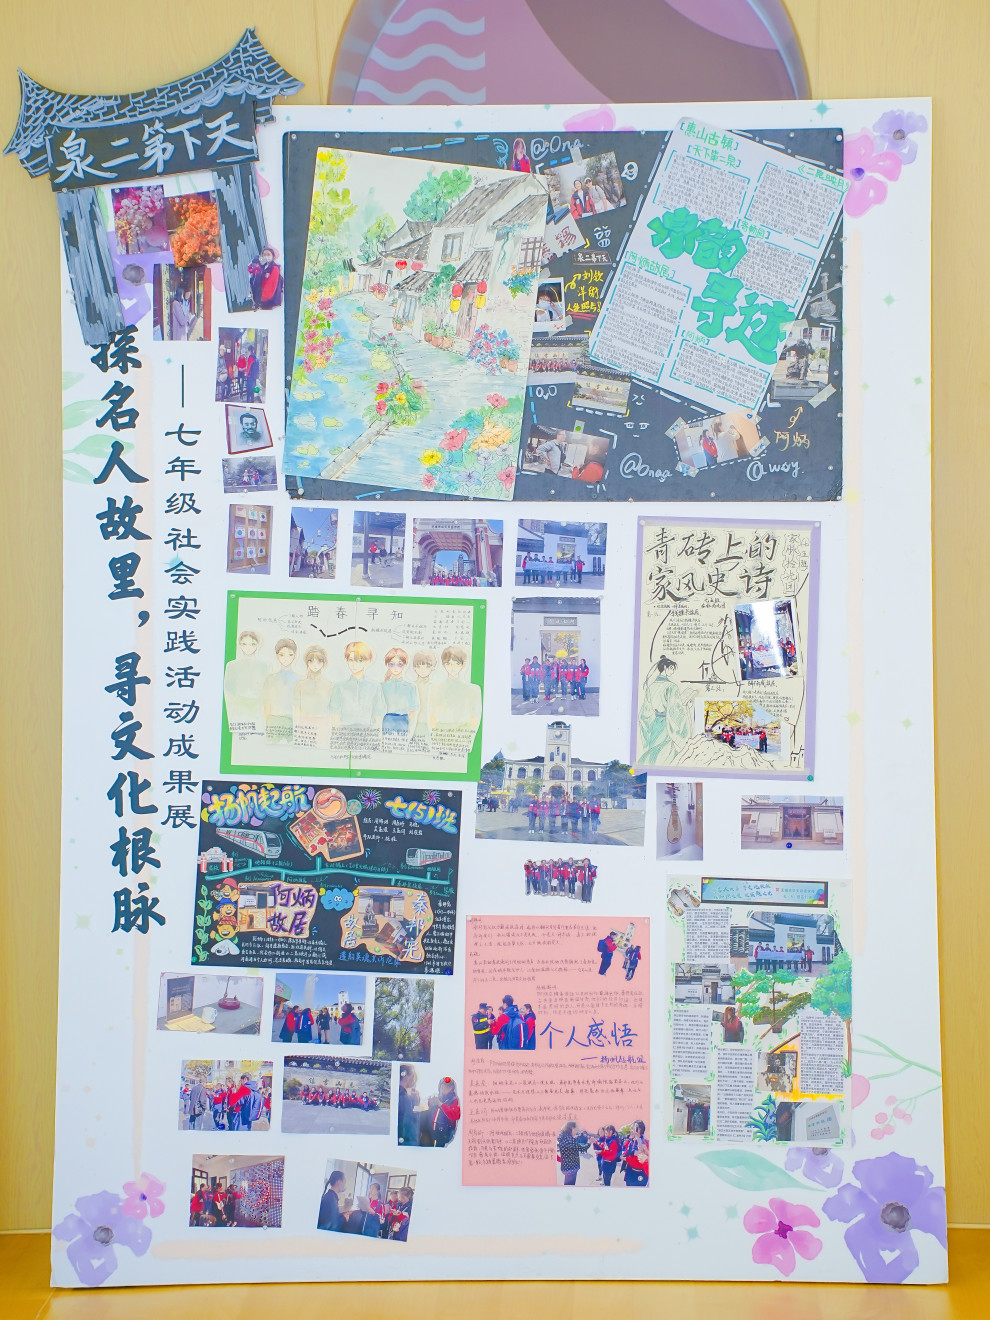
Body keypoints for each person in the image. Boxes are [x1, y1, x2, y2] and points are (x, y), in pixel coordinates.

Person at [639, 655, 691, 765]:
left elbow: (645, 712)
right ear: (665, 668)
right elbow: (674, 710)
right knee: (666, 754)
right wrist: (684, 707)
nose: (672, 671)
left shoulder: (651, 687)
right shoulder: (671, 686)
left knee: (654, 753)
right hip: (667, 726)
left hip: (655, 725)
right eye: (671, 668)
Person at [329, 640, 386, 730]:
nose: (354, 664)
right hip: (344, 731)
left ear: (367, 661)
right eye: (351, 660)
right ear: (347, 661)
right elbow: (335, 717)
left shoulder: (375, 687)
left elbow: (379, 715)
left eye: (360, 660)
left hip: (368, 731)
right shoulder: (339, 687)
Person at [381, 647, 420, 737]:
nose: (395, 668)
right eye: (391, 664)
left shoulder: (411, 687)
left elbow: (413, 712)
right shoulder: (382, 686)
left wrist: (409, 733)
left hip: (403, 723)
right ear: (387, 665)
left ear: (405, 665)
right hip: (386, 723)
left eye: (399, 664)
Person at [424, 1076, 460, 1147]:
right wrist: (430, 1102)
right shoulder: (438, 1097)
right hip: (432, 1132)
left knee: (440, 1149)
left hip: (445, 1134)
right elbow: (431, 1111)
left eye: (447, 1087)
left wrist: (441, 1104)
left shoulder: (454, 1100)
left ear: (452, 1088)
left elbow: (455, 1115)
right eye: (442, 1086)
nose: (444, 1088)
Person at [557, 1121, 590, 1185]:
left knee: (567, 1184)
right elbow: (582, 1148)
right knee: (570, 1185)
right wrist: (590, 1142)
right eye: (576, 1129)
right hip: (571, 1167)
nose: (576, 1131)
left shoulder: (563, 1136)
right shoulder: (570, 1139)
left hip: (565, 1166)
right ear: (572, 1128)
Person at [623, 1121, 649, 1186]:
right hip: (630, 1171)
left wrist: (627, 1158)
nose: (631, 1130)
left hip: (639, 1173)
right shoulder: (631, 1141)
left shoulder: (644, 1142)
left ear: (639, 1129)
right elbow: (627, 1152)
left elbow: (641, 1158)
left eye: (632, 1128)